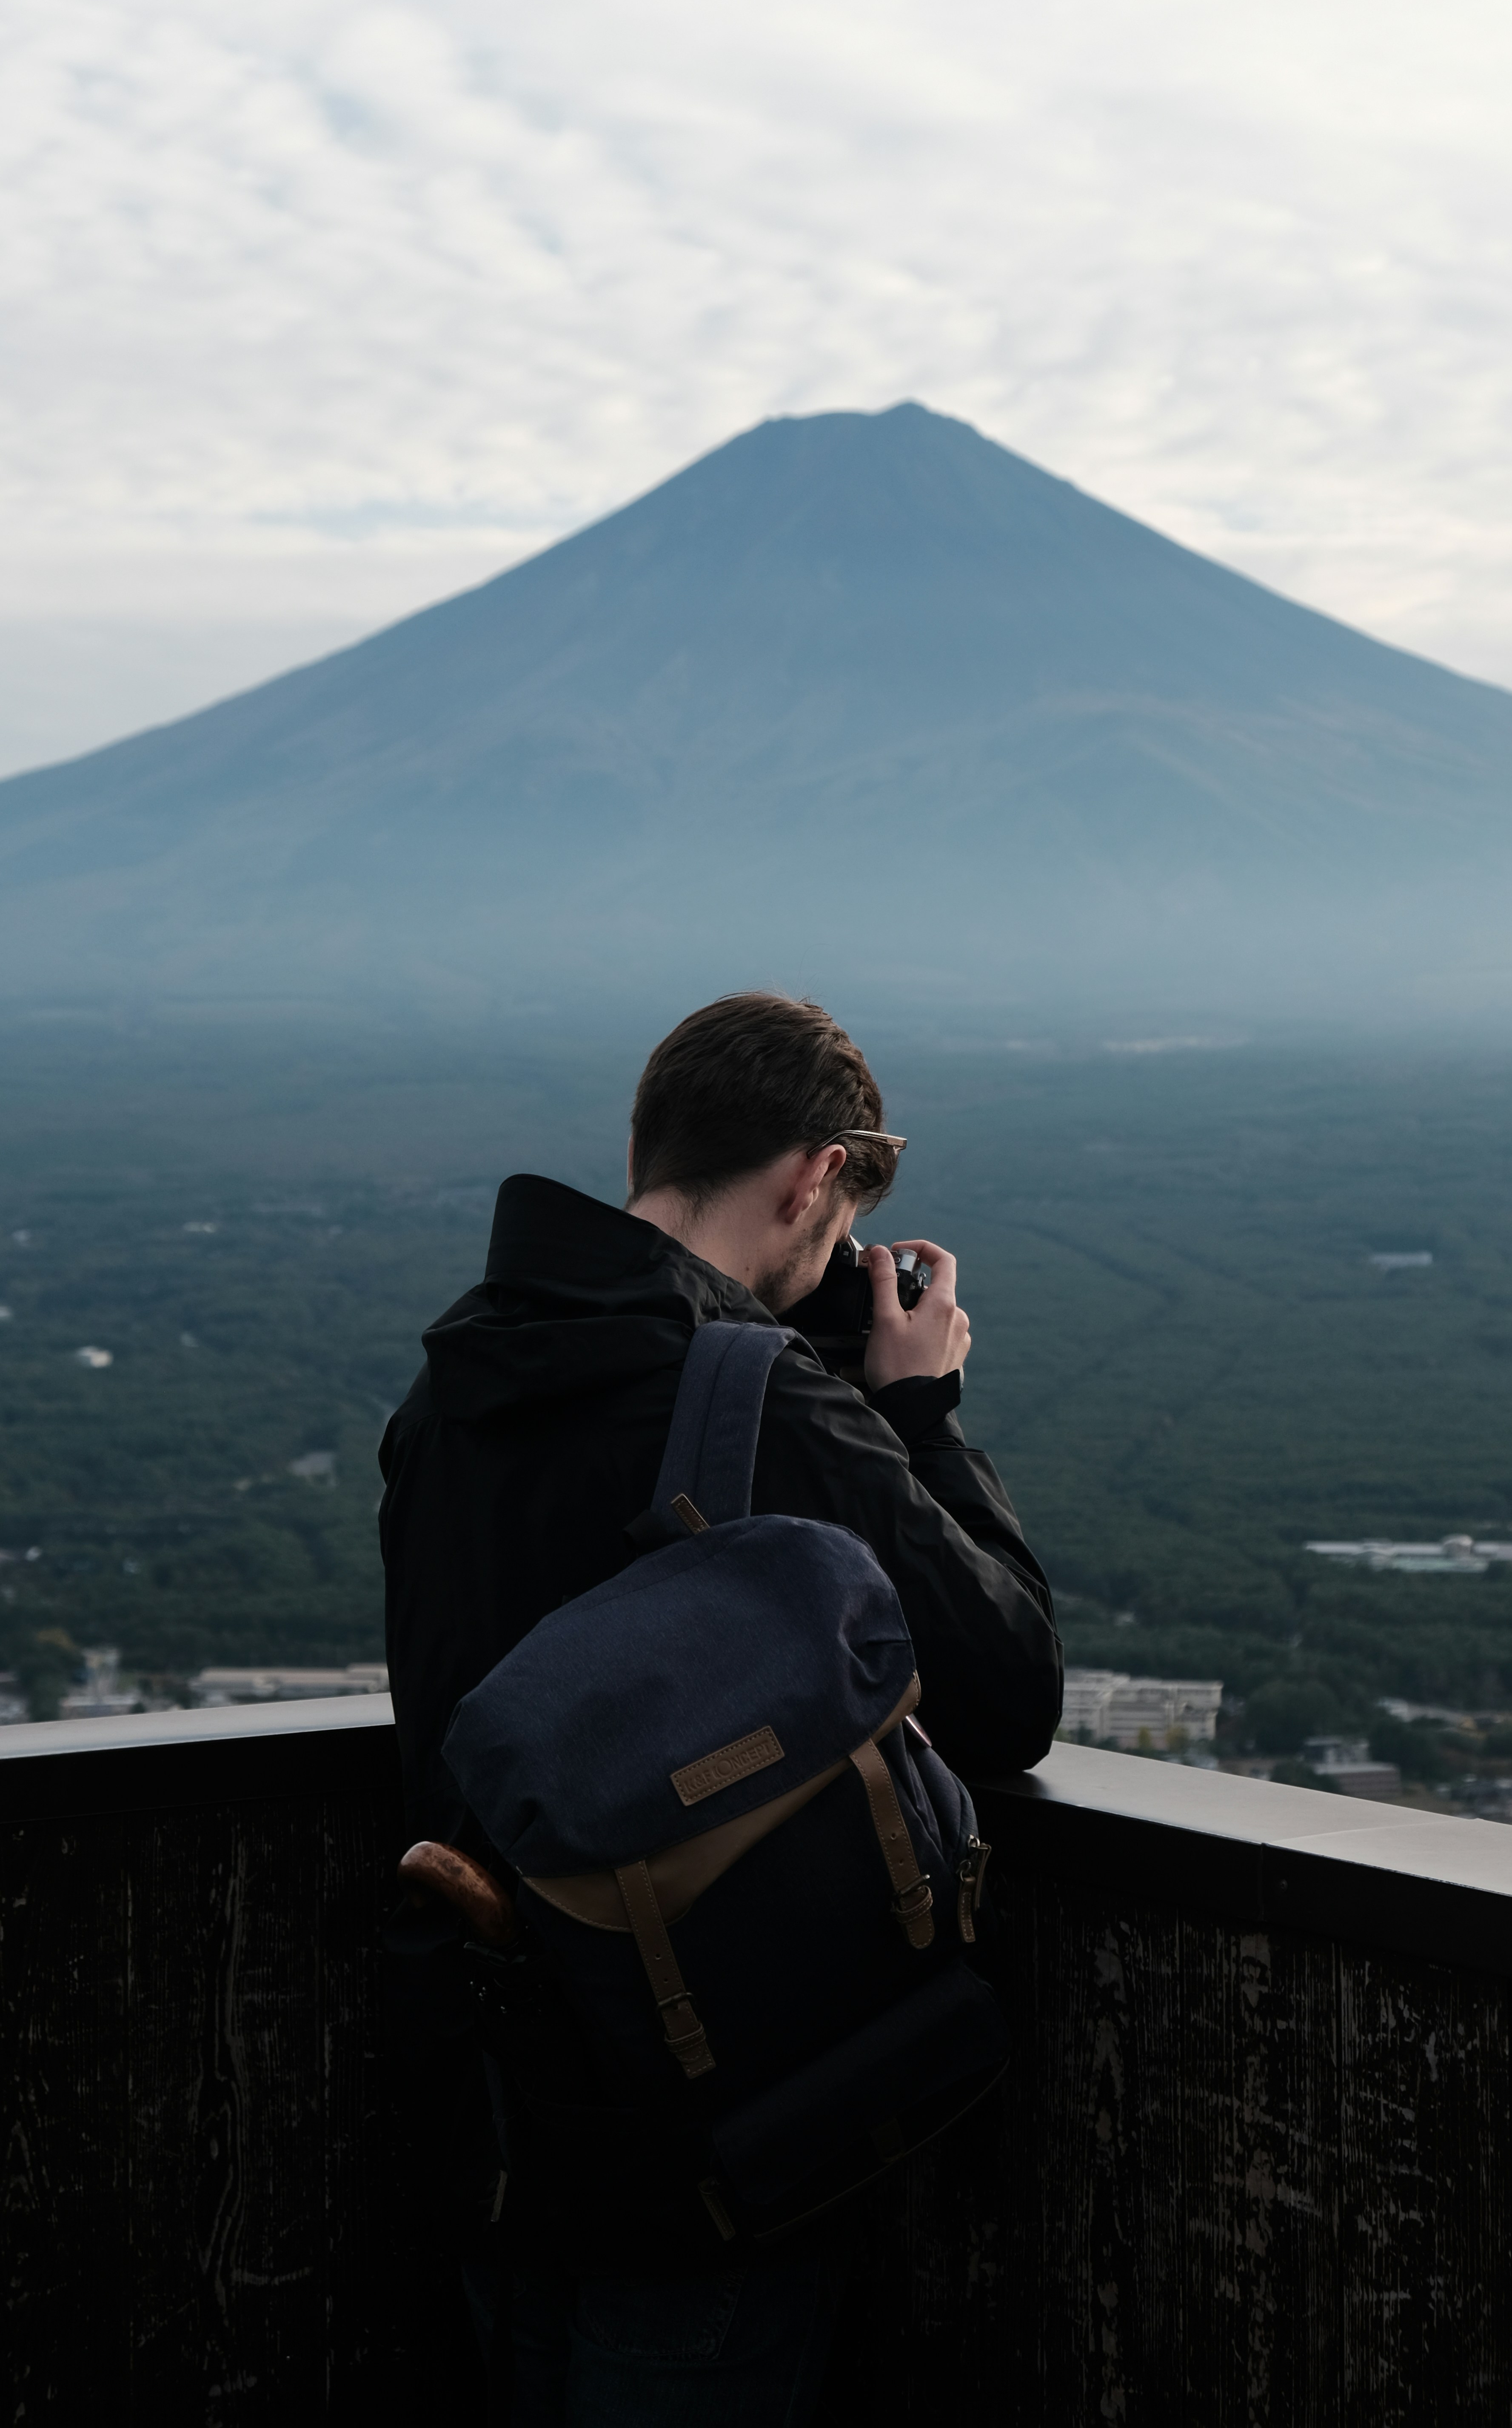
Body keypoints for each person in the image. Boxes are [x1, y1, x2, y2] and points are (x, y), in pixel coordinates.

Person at [379, 990, 1062, 2423]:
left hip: (490, 2112)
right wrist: (918, 1413)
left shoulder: (454, 1391)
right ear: (818, 1179)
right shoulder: (766, 1402)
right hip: (707, 2130)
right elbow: (1008, 1686)